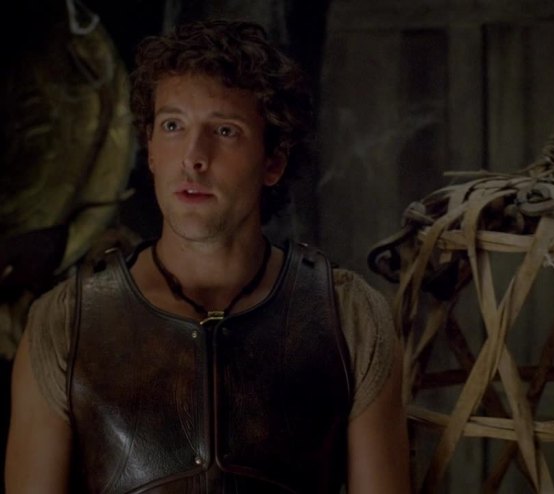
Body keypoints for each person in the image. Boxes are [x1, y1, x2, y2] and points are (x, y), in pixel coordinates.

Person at [5, 20, 410, 493]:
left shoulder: (349, 318)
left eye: (225, 130)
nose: (193, 157)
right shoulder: (64, 323)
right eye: (173, 126)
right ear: (150, 150)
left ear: (273, 161)